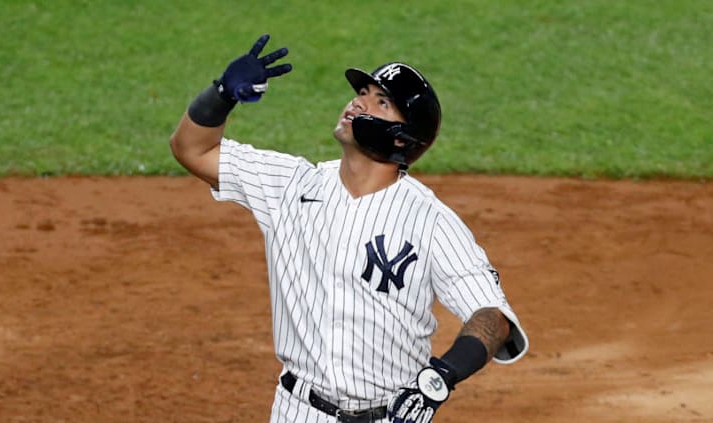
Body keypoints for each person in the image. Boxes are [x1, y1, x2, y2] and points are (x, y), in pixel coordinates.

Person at [170, 34, 528, 423]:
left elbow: (493, 316)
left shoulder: (431, 222)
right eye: (362, 92)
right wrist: (222, 94)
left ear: (402, 137)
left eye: (381, 101)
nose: (359, 101)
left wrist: (441, 376)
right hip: (297, 412)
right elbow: (192, 149)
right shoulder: (291, 186)